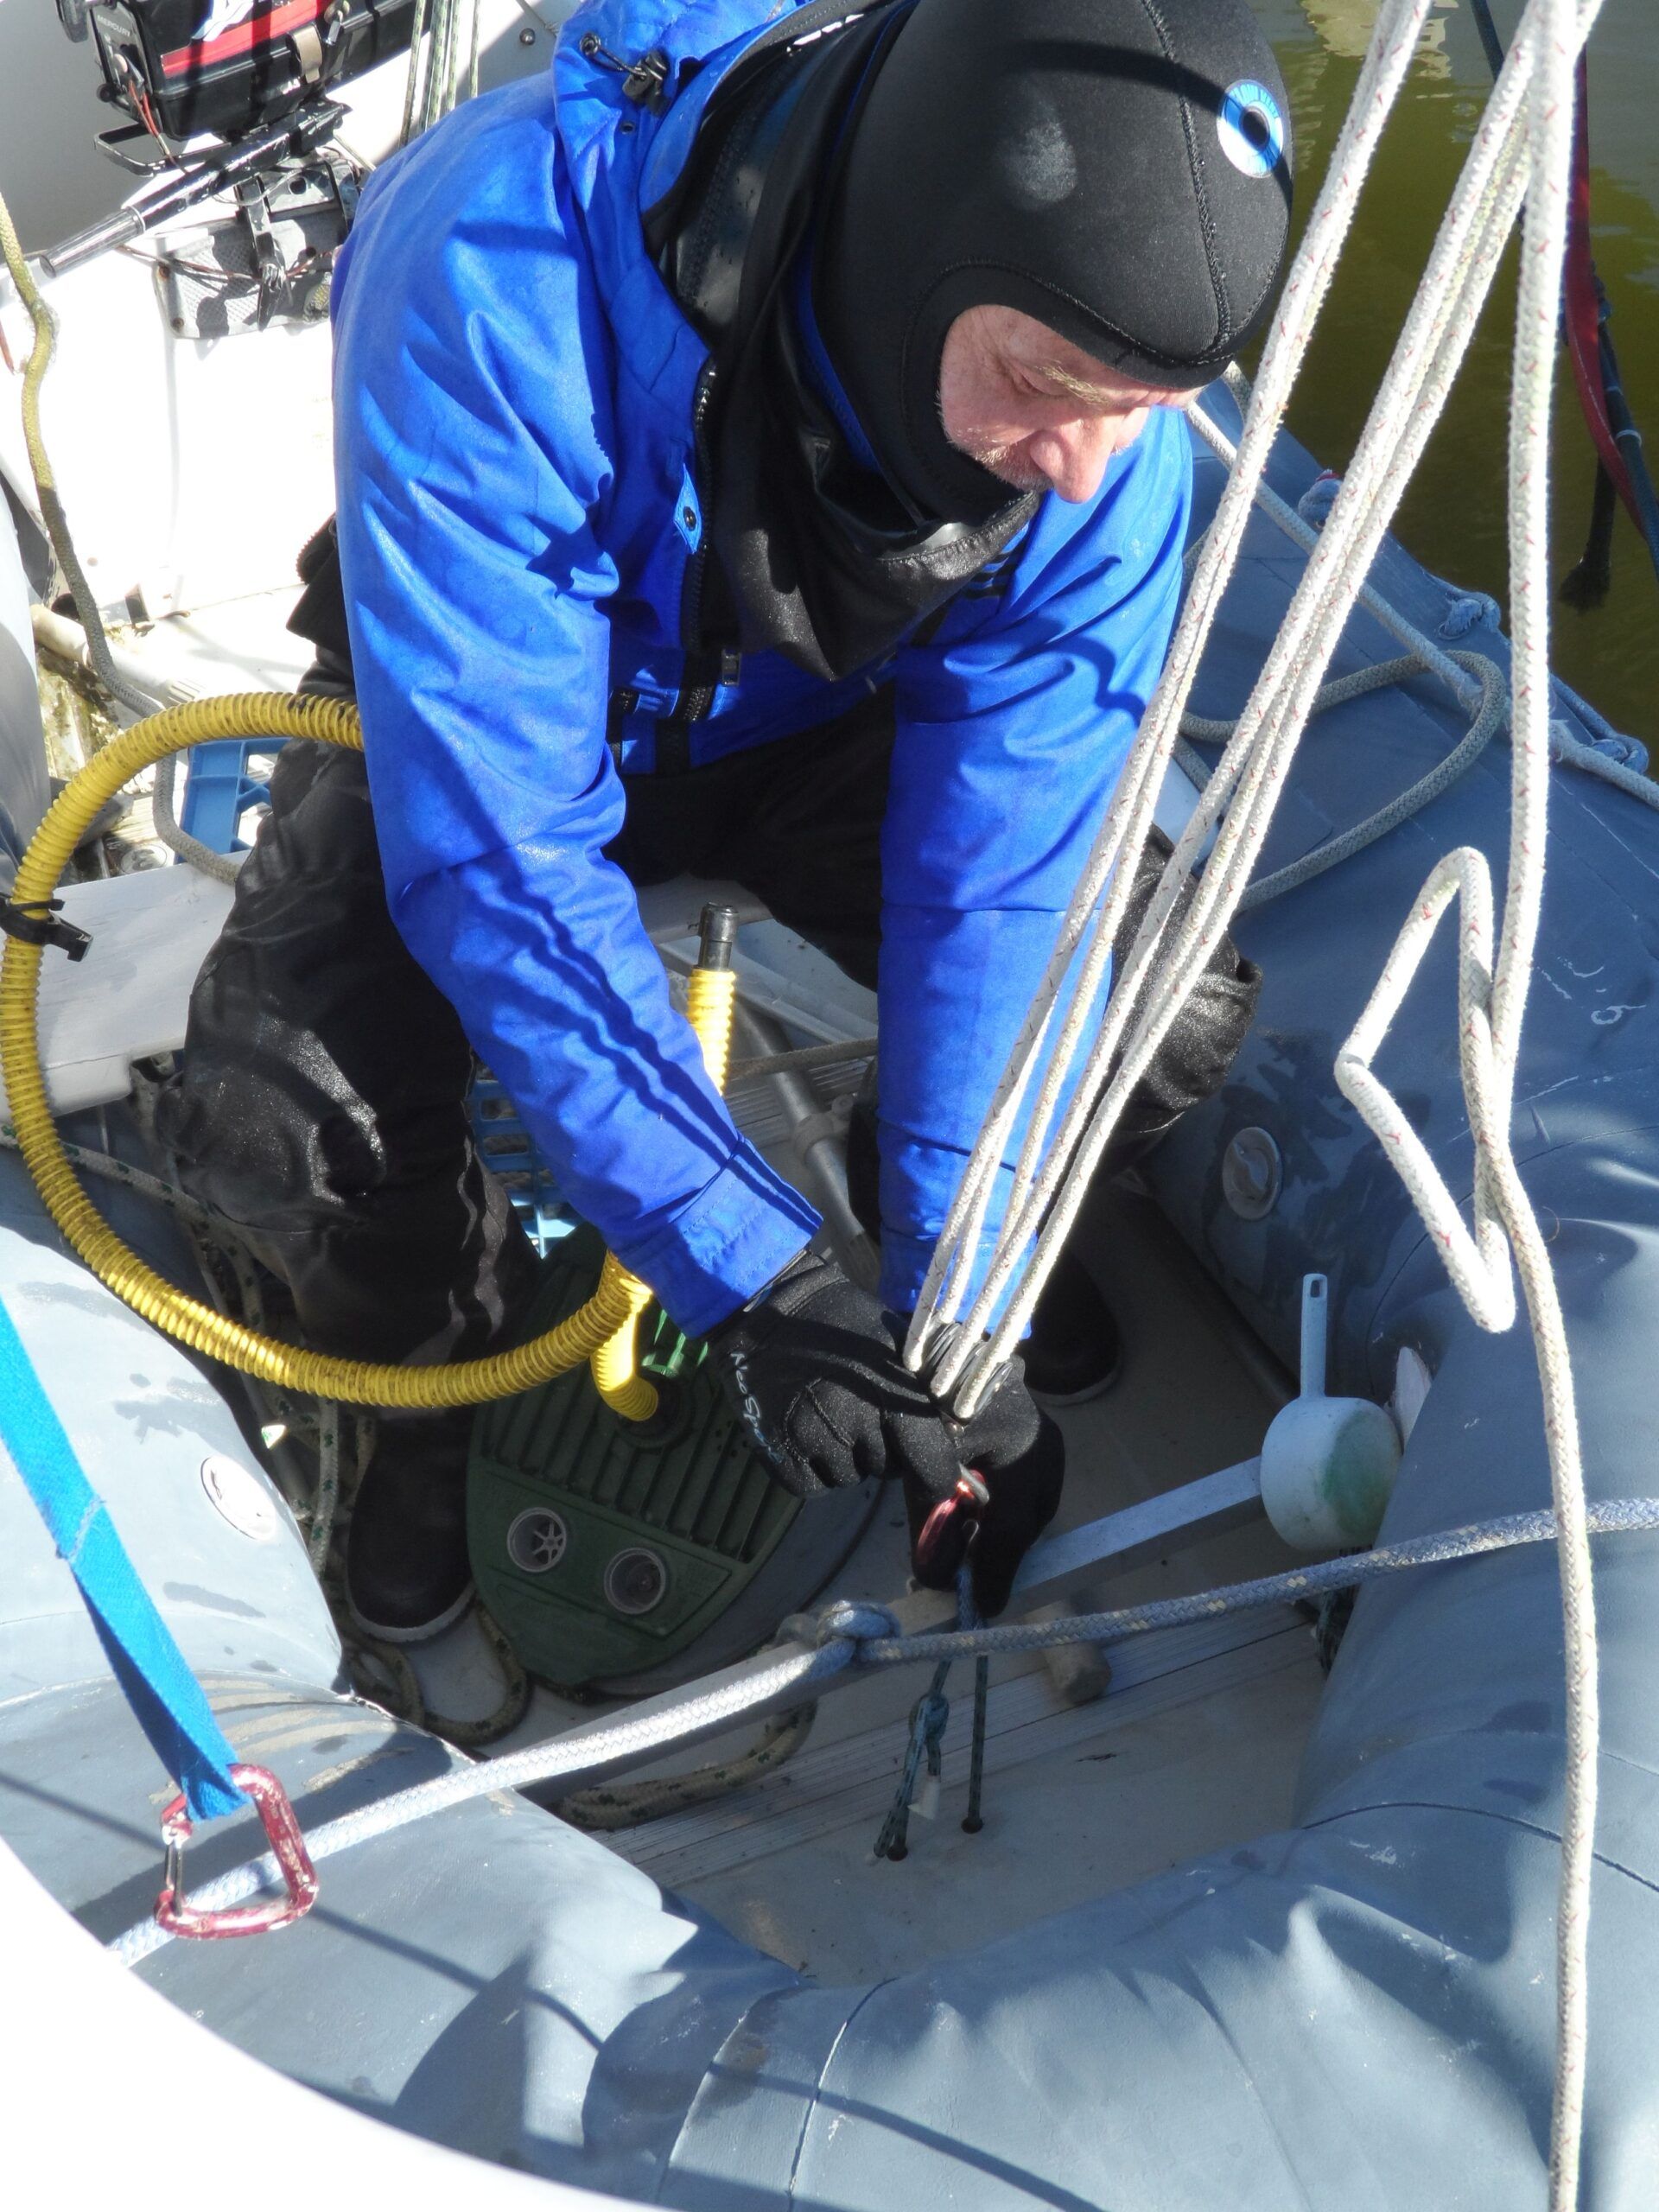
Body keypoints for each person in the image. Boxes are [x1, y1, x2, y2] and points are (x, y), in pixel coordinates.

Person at [157, 0, 1292, 1641]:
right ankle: (436, 1379)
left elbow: (1008, 885)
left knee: (1162, 1005)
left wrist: (952, 1303)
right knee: (285, 1122)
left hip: (812, 712)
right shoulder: (491, 260)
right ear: (912, 256)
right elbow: (500, 851)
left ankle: (896, 1213)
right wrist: (751, 1273)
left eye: (1142, 403)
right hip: (487, 720)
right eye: (1044, 385)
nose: (1081, 470)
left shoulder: (1108, 470)